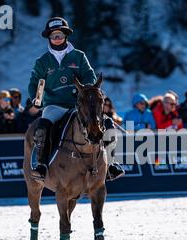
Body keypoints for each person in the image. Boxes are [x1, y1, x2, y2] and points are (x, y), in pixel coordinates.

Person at [28, 17, 124, 181]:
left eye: (59, 35)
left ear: (66, 35)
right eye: (53, 36)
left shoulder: (78, 56)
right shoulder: (42, 62)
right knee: (43, 126)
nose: (56, 38)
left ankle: (112, 164)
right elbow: (35, 83)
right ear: (49, 37)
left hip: (78, 105)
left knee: (106, 123)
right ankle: (41, 165)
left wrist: (86, 88)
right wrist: (36, 100)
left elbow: (89, 76)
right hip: (54, 105)